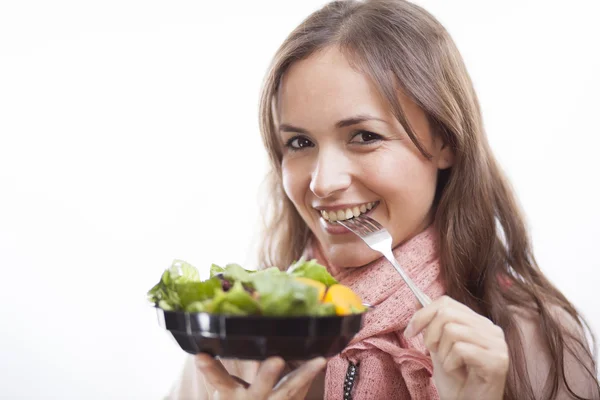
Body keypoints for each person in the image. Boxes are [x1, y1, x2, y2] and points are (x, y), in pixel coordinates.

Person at [168, 0, 600, 399]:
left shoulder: (533, 339)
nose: (323, 182)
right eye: (299, 142)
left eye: (364, 136)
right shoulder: (234, 336)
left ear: (445, 141)